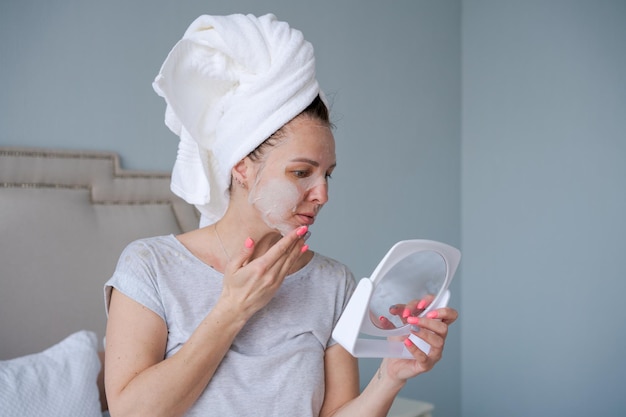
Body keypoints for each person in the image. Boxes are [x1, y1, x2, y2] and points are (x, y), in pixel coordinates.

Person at [104, 13, 458, 417]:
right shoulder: (151, 267)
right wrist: (233, 310)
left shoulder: (333, 283)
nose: (322, 193)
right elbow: (130, 412)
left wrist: (391, 376)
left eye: (327, 175)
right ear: (241, 166)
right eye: (301, 172)